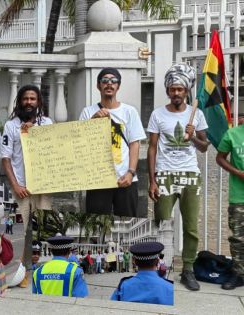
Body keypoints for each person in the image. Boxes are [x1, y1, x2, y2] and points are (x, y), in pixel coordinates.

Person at [148, 64, 209, 291]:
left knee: (191, 227)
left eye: (180, 90)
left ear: (186, 92)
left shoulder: (197, 114)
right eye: (172, 89)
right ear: (167, 91)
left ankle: (188, 270)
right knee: (161, 222)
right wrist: (152, 180)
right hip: (165, 175)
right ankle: (159, 268)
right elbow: (152, 148)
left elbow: (204, 147)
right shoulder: (157, 114)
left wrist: (192, 137)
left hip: (191, 175)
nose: (176, 93)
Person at [1, 85, 53, 287]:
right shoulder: (11, 126)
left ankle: (34, 271)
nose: (29, 102)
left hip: (43, 187)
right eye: (25, 99)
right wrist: (16, 185)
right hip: (21, 188)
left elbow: (54, 150)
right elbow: (5, 159)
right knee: (24, 232)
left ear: (39, 102)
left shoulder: (47, 123)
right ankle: (21, 272)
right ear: (19, 102)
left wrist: (35, 134)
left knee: (39, 230)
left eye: (33, 98)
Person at [80, 68, 147, 218]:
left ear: (118, 86)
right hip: (98, 179)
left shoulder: (129, 111)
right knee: (96, 223)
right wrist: (94, 121)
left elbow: (134, 144)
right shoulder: (87, 112)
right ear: (98, 86)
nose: (109, 84)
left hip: (125, 178)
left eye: (113, 81)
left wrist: (131, 172)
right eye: (105, 81)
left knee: (128, 222)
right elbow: (81, 142)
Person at [216, 113, 244, 290]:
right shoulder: (233, 134)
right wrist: (237, 172)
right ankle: (239, 274)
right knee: (238, 238)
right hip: (239, 197)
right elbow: (220, 158)